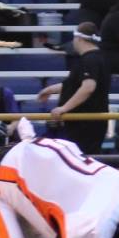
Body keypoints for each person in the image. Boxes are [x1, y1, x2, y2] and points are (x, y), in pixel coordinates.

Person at [34, 23, 111, 154]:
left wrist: (64, 108)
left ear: (79, 39)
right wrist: (49, 90)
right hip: (84, 123)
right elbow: (74, 85)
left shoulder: (91, 59)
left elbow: (88, 87)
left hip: (86, 124)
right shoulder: (95, 58)